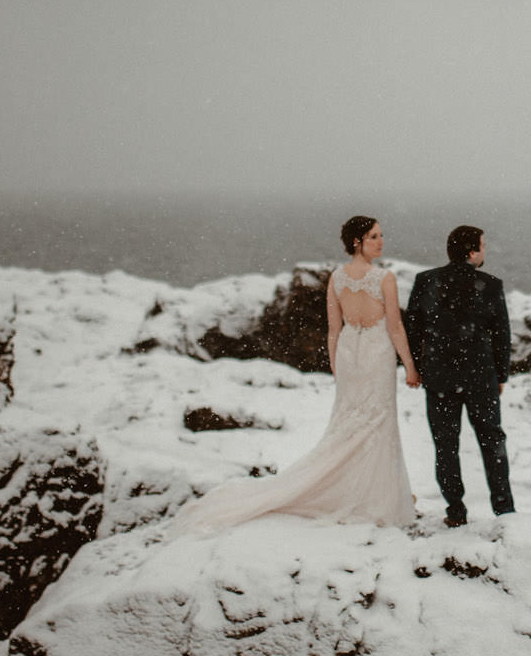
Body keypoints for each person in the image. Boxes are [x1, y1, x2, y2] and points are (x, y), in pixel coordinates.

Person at [171, 216, 420, 534]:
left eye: (381, 235)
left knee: (348, 422)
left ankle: (362, 491)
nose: (381, 241)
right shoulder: (384, 278)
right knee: (377, 421)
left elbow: (334, 329)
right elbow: (395, 326)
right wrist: (409, 366)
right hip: (375, 350)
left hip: (349, 352)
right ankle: (376, 497)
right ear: (357, 241)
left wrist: (336, 365)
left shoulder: (338, 278)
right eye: (374, 236)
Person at [404, 224, 513, 527]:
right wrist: (500, 374)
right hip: (481, 376)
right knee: (492, 441)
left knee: (445, 444)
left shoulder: (426, 281)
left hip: (439, 377)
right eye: (483, 245)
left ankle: (455, 509)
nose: (485, 251)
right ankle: (504, 508)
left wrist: (415, 367)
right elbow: (502, 334)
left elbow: (412, 329)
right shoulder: (490, 284)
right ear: (471, 252)